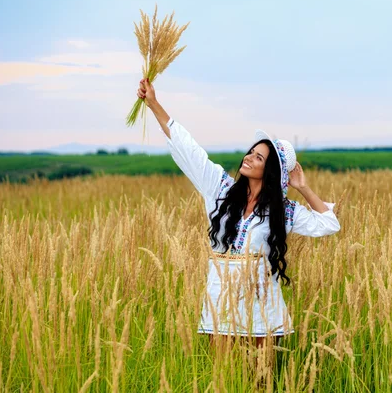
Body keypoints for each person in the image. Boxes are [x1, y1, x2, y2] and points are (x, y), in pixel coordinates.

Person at [136, 79, 340, 350]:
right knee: (224, 380)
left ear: (270, 173)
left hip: (261, 307)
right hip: (220, 302)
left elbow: (328, 223)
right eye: (251, 152)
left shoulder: (281, 211)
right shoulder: (220, 189)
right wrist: (154, 104)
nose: (248, 157)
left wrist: (302, 187)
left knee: (260, 383)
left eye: (258, 158)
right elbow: (189, 150)